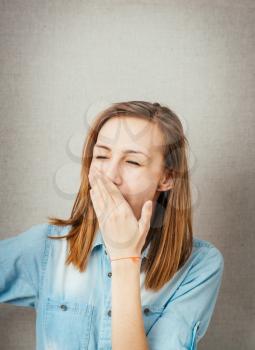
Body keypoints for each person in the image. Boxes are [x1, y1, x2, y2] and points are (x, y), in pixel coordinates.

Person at [0, 101, 224, 350]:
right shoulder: (46, 248)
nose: (110, 175)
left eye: (133, 162)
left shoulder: (199, 266)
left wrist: (125, 257)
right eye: (102, 156)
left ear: (167, 177)